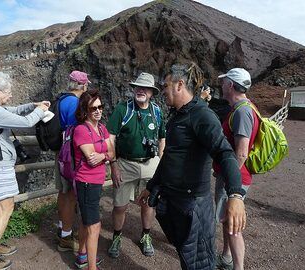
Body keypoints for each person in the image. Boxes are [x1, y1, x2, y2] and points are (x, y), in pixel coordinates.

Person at [137, 63, 247, 270]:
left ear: (180, 85)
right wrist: (151, 186)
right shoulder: (177, 116)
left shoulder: (202, 116)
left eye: (165, 85)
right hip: (175, 202)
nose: (163, 91)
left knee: (200, 262)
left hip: (194, 204)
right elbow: (169, 157)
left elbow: (225, 153)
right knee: (186, 255)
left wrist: (235, 195)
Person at [0, 71, 49, 270]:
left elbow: (13, 110)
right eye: (7, 92)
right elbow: (25, 122)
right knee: (6, 208)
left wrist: (32, 105)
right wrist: (40, 111)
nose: (10, 95)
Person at [106, 72, 166, 258]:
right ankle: (116, 236)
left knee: (150, 201)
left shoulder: (156, 111)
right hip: (125, 163)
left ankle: (146, 235)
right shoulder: (122, 109)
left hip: (151, 162)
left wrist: (161, 163)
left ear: (151, 92)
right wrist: (113, 165)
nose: (140, 90)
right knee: (120, 205)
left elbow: (162, 137)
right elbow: (110, 138)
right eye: (138, 87)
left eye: (145, 88)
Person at [214, 68, 259, 270]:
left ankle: (237, 267)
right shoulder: (243, 107)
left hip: (236, 179)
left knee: (233, 225)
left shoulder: (242, 112)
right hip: (235, 177)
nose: (221, 85)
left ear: (231, 85)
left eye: (224, 82)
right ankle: (226, 258)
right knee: (227, 221)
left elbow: (241, 153)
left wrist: (231, 184)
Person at [73, 90, 114, 270]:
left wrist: (103, 155)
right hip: (86, 182)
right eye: (93, 108)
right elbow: (90, 157)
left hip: (95, 182)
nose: (98, 111)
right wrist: (106, 153)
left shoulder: (102, 128)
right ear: (85, 110)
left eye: (100, 107)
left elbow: (113, 153)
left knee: (86, 221)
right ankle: (91, 267)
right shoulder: (81, 130)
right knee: (94, 225)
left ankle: (82, 256)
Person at [55, 70, 90, 252]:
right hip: (71, 157)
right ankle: (66, 239)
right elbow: (77, 133)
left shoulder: (61, 99)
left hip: (60, 154)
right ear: (83, 85)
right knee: (70, 197)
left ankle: (61, 229)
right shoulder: (76, 103)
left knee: (63, 193)